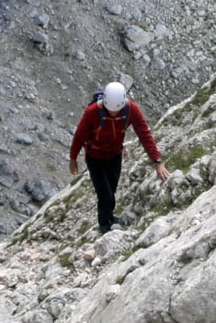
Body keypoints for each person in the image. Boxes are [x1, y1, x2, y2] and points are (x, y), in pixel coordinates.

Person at [69, 81, 170, 233]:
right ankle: (104, 226)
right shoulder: (92, 113)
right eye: (110, 110)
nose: (114, 113)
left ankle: (109, 217)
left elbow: (144, 134)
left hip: (114, 155)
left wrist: (157, 161)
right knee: (105, 195)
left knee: (112, 189)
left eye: (117, 110)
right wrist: (73, 158)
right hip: (94, 158)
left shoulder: (131, 110)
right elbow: (79, 136)